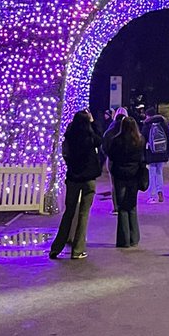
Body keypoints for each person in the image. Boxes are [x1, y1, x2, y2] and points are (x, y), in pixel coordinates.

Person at [48, 110, 103, 260]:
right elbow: (100, 139)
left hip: (73, 178)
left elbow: (65, 155)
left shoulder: (70, 138)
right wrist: (93, 122)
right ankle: (78, 249)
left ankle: (56, 247)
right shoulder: (90, 137)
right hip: (88, 179)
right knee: (84, 214)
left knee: (69, 213)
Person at [106, 116, 146, 248]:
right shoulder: (139, 141)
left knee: (122, 207)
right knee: (132, 206)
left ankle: (124, 239)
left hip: (120, 176)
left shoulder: (117, 141)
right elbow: (142, 158)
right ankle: (135, 237)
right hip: (133, 176)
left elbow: (111, 155)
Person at [142, 111, 169, 202]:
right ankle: (160, 192)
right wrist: (168, 153)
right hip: (162, 153)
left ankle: (152, 195)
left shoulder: (147, 125)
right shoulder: (163, 124)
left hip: (151, 153)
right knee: (159, 173)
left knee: (152, 174)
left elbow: (142, 140)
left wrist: (143, 156)